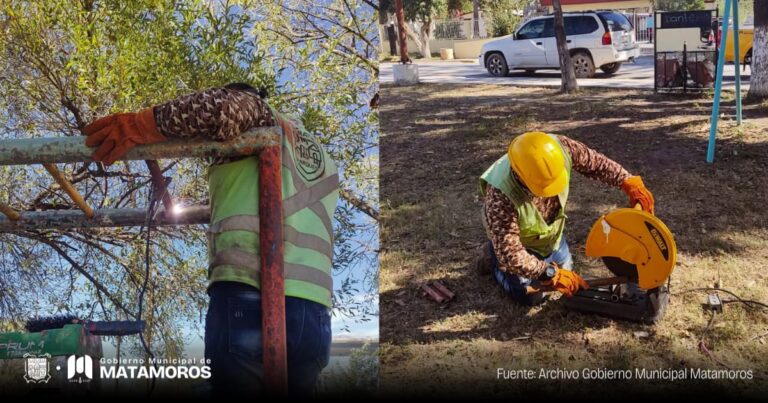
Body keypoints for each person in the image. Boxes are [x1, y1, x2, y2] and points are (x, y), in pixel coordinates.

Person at [82, 83, 338, 396]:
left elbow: (220, 107)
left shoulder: (258, 114)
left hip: (250, 295)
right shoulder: (318, 157)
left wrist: (140, 126)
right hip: (313, 316)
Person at [475, 131, 654, 305]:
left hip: (549, 233)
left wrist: (628, 181)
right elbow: (511, 253)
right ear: (521, 176)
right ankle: (492, 258)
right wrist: (550, 273)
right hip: (517, 241)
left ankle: (546, 255)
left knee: (566, 271)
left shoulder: (559, 148)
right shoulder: (500, 197)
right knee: (530, 296)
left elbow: (596, 163)